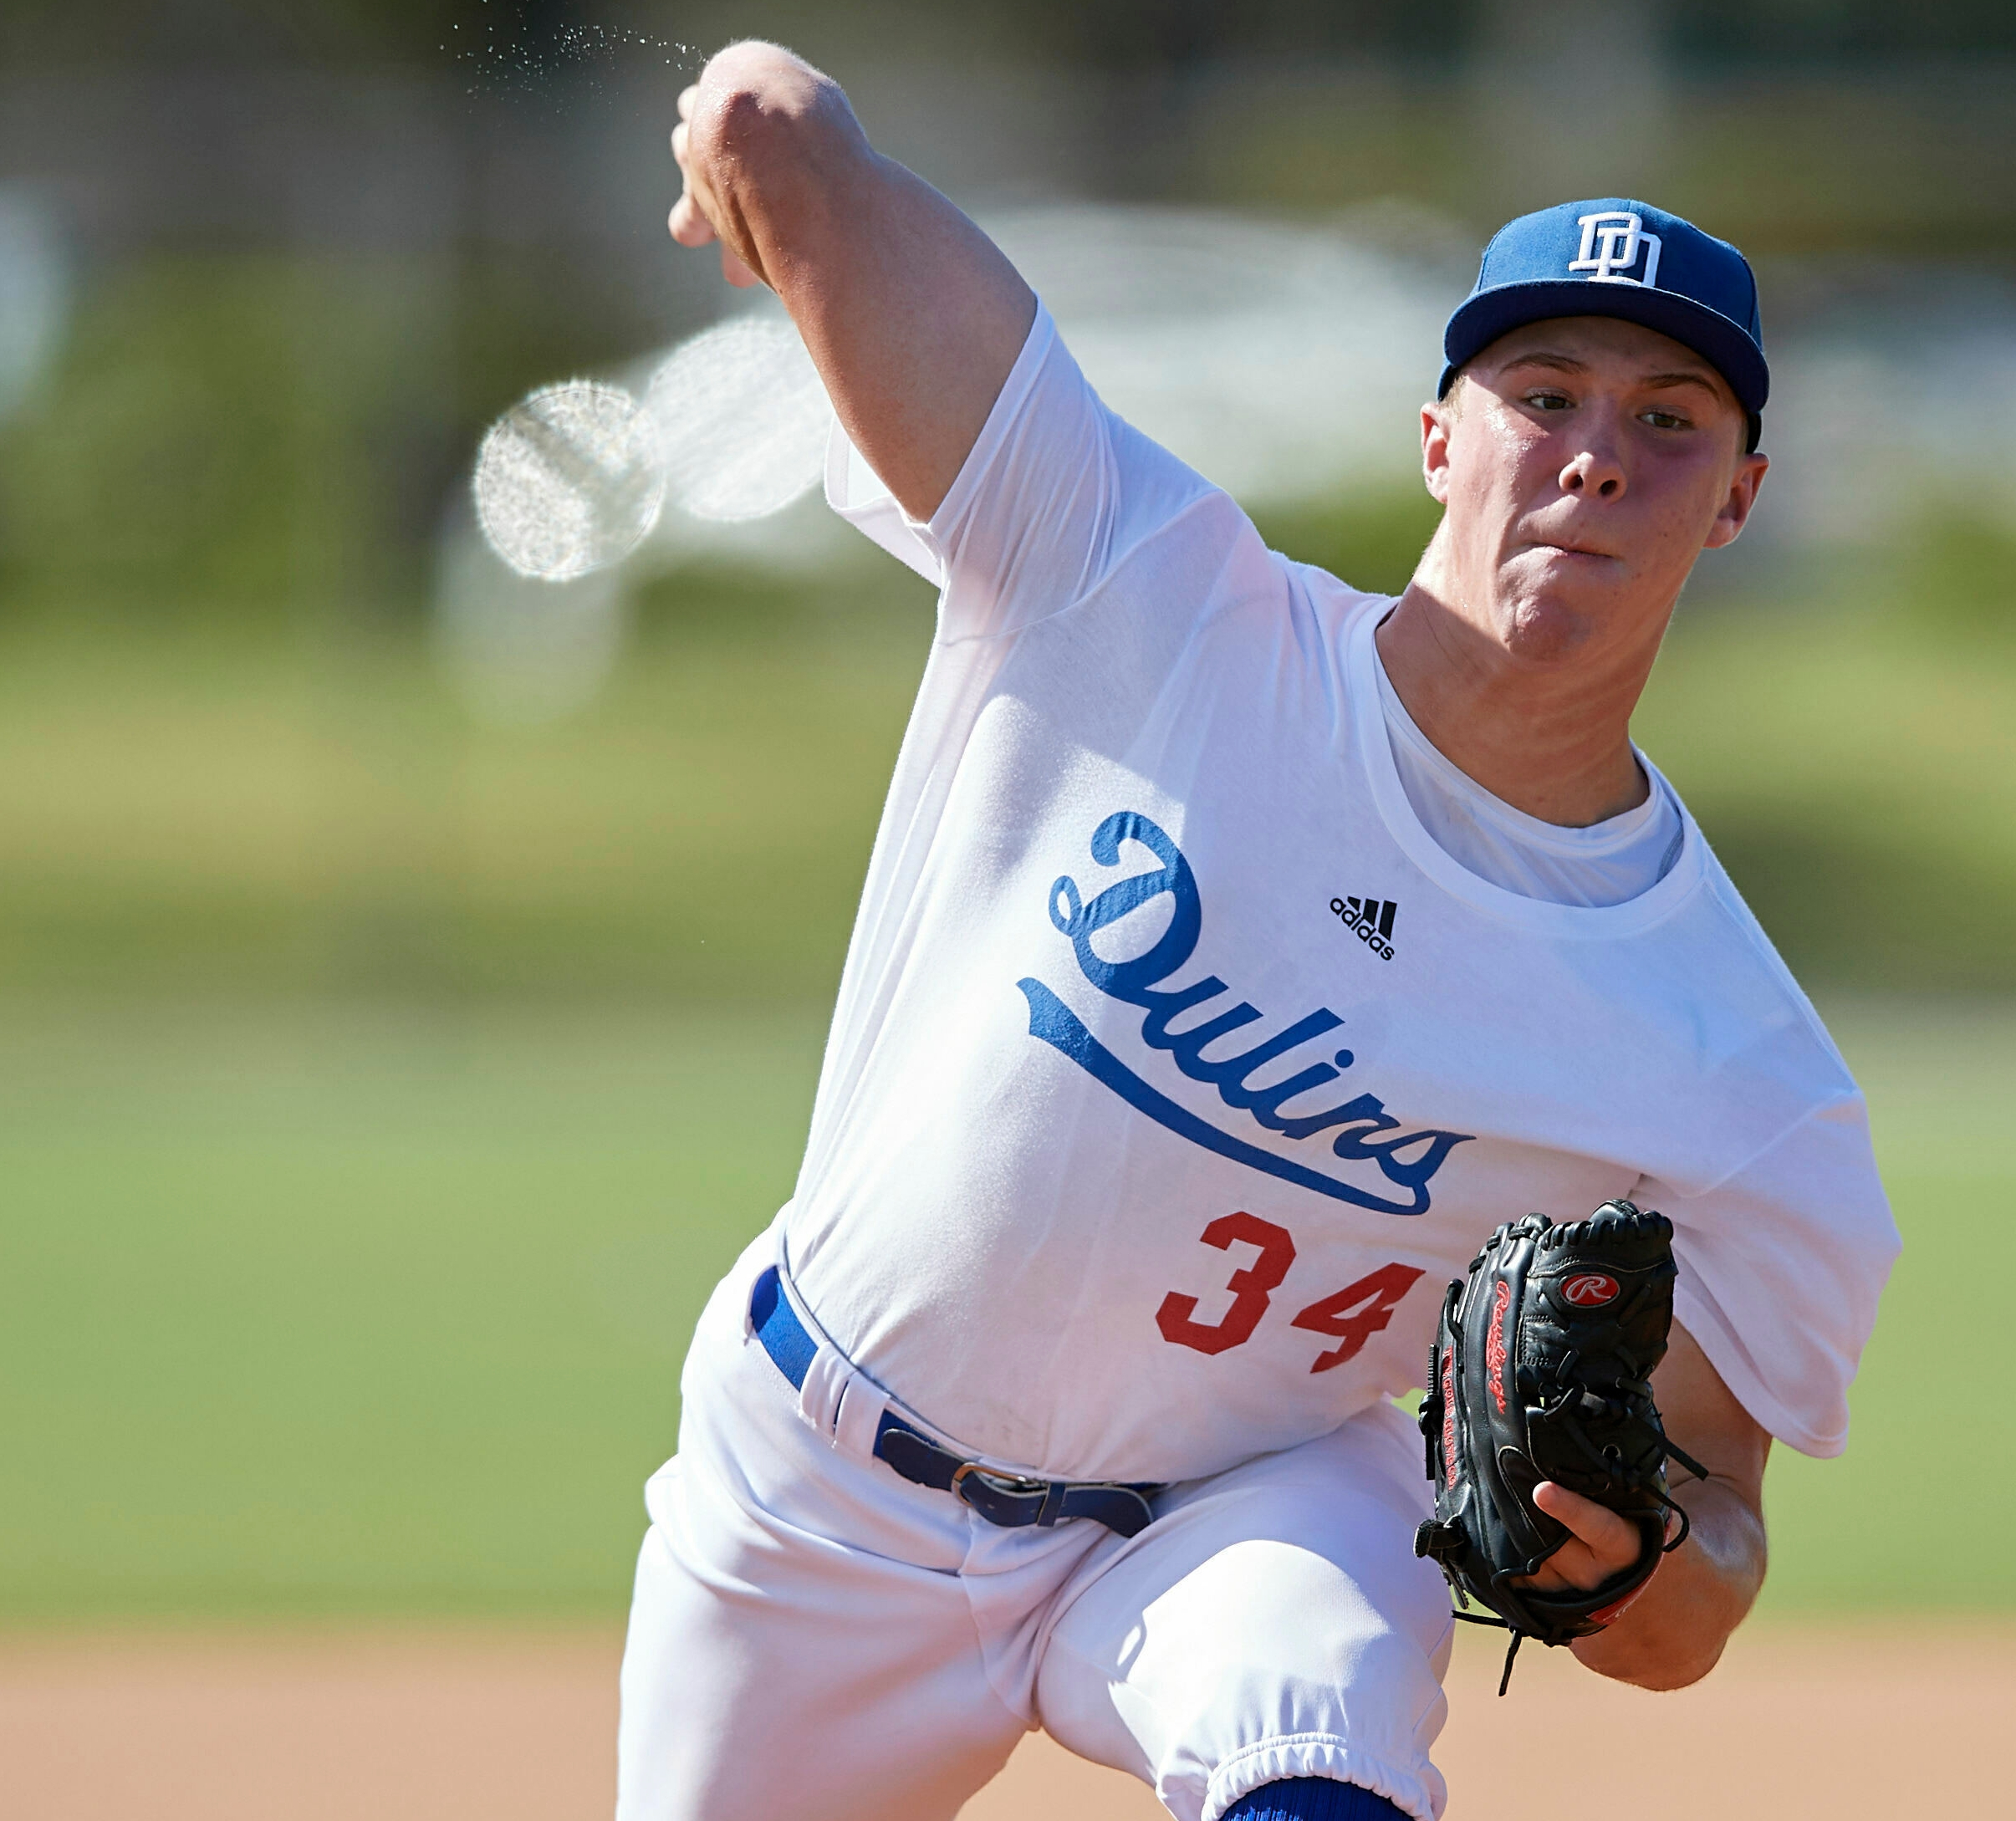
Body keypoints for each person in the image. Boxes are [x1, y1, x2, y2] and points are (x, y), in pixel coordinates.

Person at [619, 37, 1900, 1821]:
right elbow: (790, 147)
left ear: (1738, 498)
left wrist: (1630, 1556)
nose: (1598, 457)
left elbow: (1704, 1586)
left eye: (1670, 420)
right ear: (1442, 436)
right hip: (815, 1491)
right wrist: (754, 118)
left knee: (1317, 1738)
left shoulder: (1729, 1065)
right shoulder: (1132, 590)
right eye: (1547, 394)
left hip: (1240, 1513)